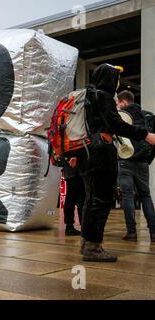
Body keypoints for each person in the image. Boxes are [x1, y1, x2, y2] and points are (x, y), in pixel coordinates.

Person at [78, 64, 155, 262]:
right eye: (116, 77)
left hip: (86, 150)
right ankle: (94, 248)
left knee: (90, 199)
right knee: (102, 200)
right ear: (110, 78)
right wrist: (145, 135)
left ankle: (87, 243)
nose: (117, 81)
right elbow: (116, 124)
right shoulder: (102, 96)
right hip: (102, 149)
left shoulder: (87, 96)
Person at [117, 90, 155, 243]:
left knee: (127, 196)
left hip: (125, 159)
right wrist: (148, 158)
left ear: (123, 102)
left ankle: (131, 232)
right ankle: (153, 232)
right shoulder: (147, 115)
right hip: (143, 161)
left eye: (119, 103)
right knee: (145, 195)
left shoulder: (121, 116)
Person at [62, 157, 84, 236]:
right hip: (74, 168)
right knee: (74, 199)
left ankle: (71, 226)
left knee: (75, 198)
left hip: (71, 169)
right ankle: (70, 226)